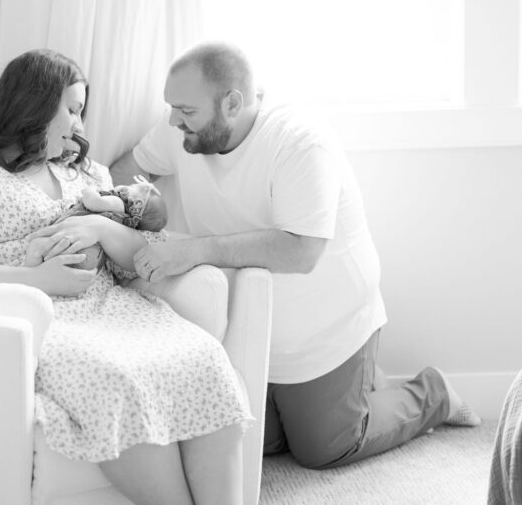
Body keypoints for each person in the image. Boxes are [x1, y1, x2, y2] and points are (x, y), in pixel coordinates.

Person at [110, 40, 481, 470]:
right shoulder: (182, 129)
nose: (174, 120)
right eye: (172, 108)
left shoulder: (299, 142)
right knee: (248, 438)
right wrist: (105, 200)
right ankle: (354, 393)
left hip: (323, 328)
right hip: (254, 327)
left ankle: (431, 393)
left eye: (187, 111)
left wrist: (193, 251)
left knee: (324, 448)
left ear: (232, 103)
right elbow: (130, 167)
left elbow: (301, 250)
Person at [0, 49, 252, 505]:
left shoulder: (83, 171)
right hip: (39, 318)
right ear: (35, 103)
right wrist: (37, 282)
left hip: (112, 304)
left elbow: (140, 258)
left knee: (205, 359)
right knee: (116, 378)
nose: (80, 125)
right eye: (72, 109)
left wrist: (104, 228)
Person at [24, 176, 167, 271]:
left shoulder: (118, 203)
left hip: (79, 247)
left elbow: (93, 202)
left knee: (36, 246)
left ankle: (30, 276)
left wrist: (89, 190)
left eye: (131, 186)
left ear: (137, 203)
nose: (124, 186)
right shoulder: (121, 222)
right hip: (90, 256)